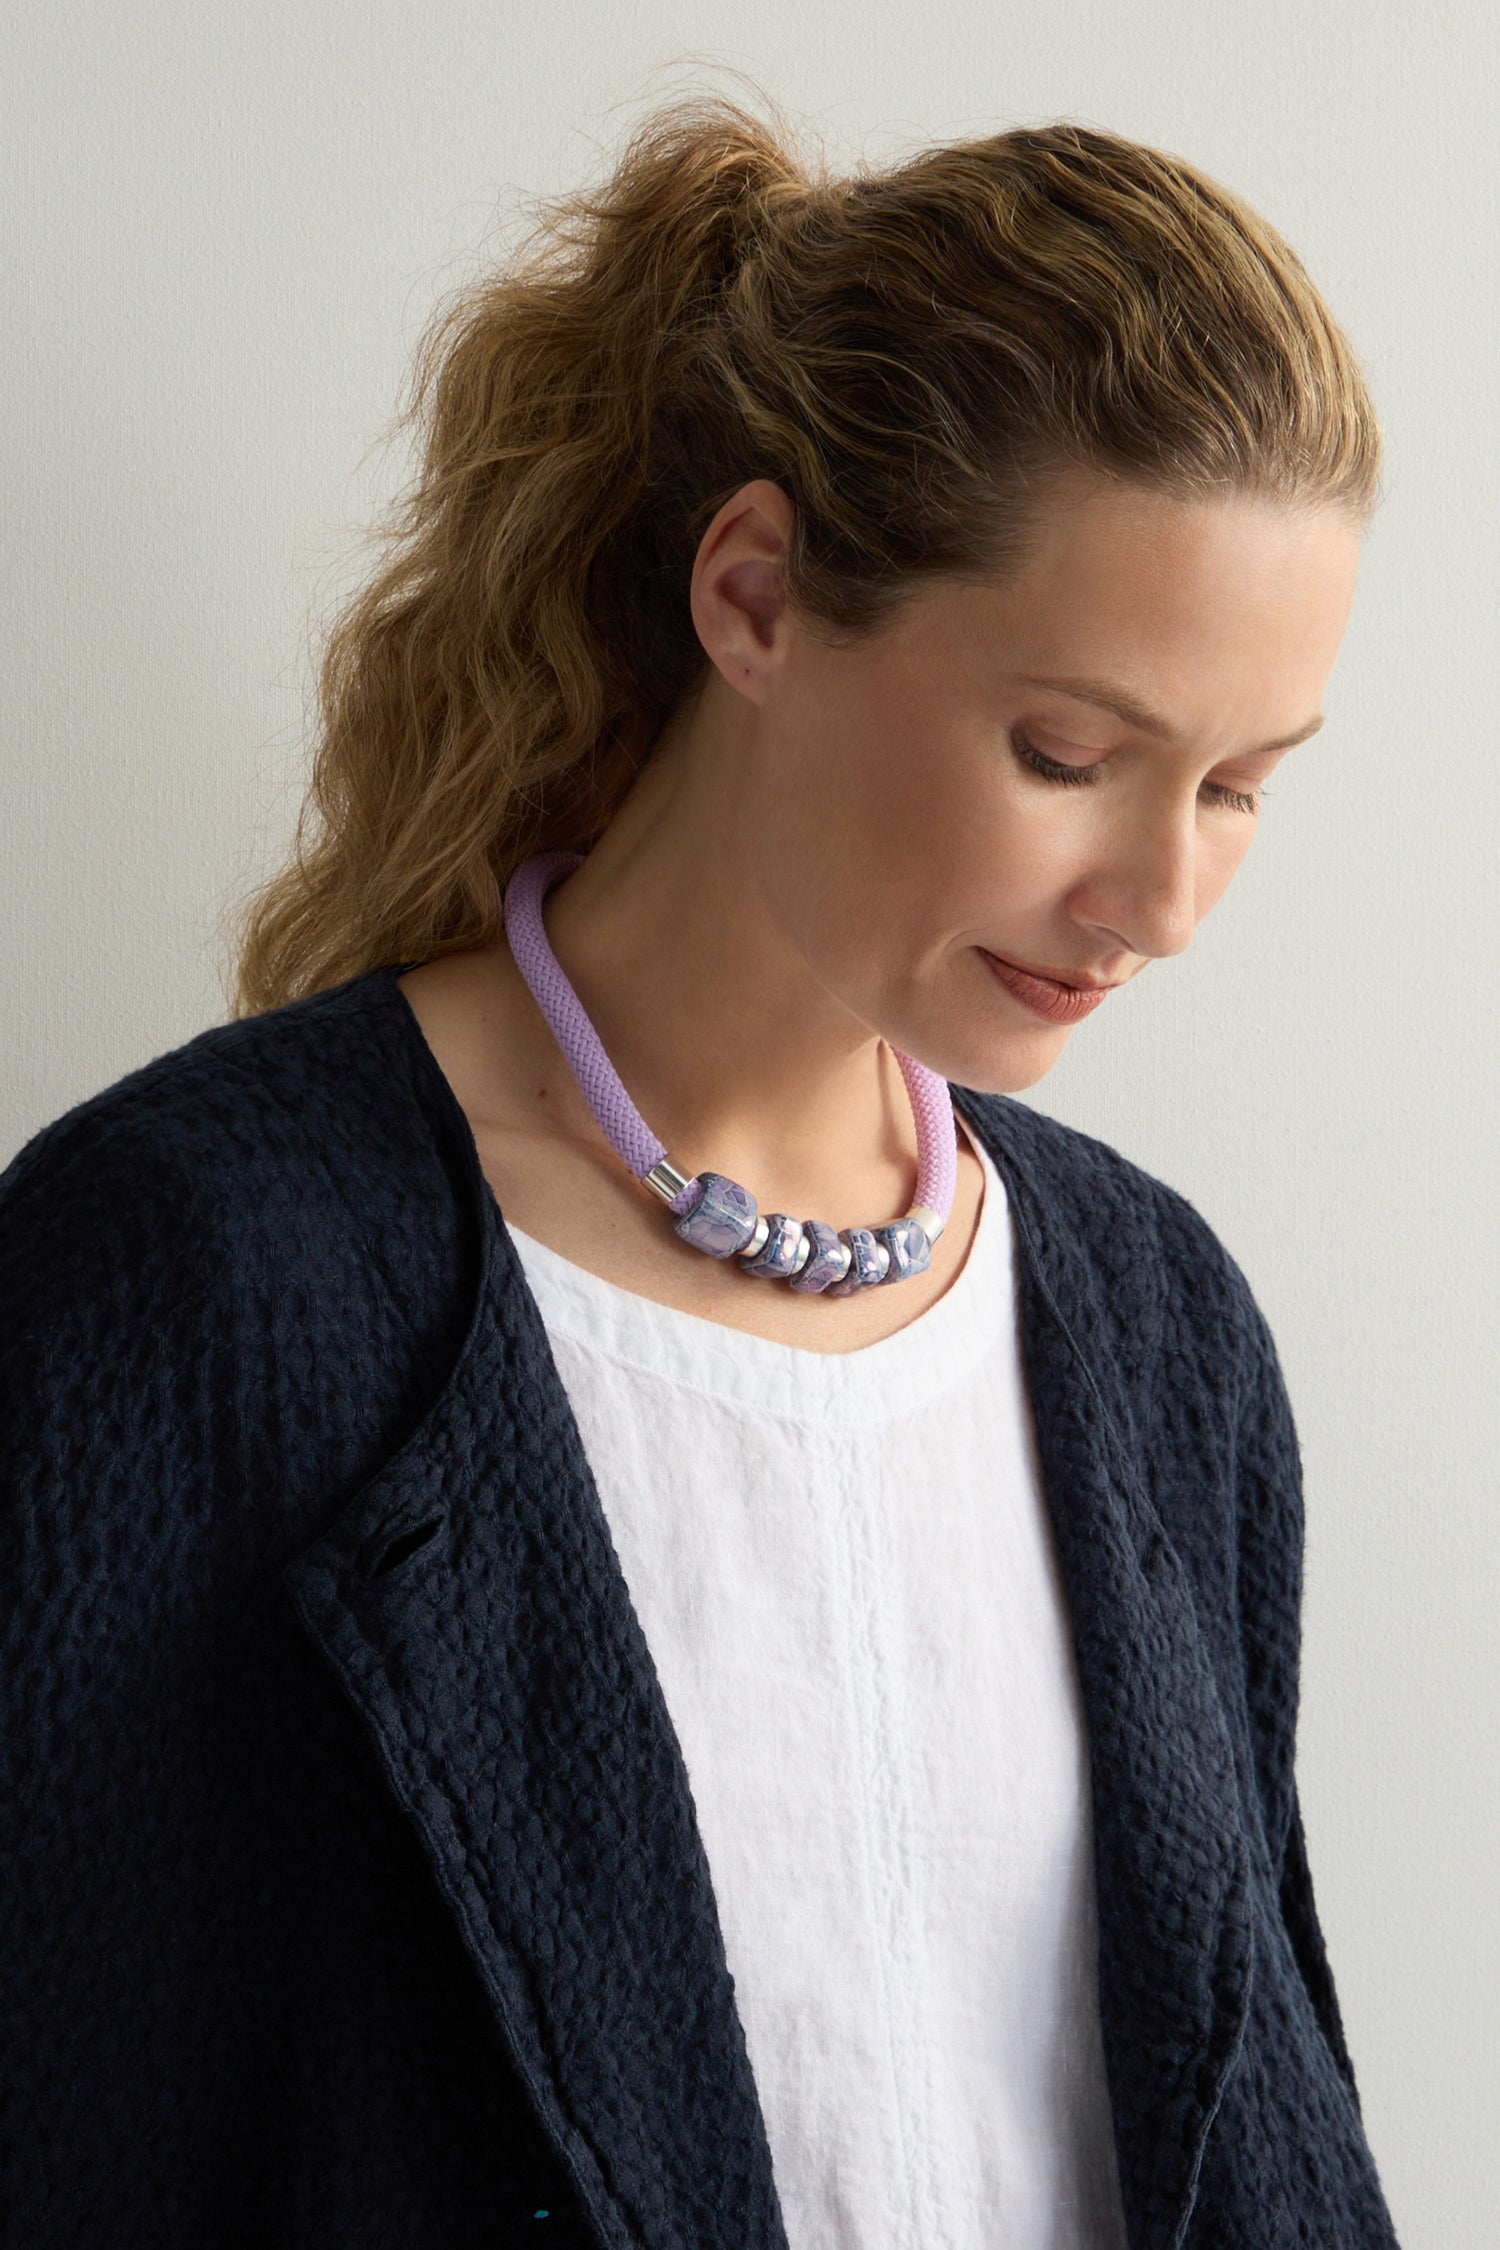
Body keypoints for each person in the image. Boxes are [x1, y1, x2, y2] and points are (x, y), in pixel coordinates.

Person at [0, 89, 1403, 2249]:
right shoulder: (198, 1279)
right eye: (1071, 755)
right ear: (752, 596)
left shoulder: (1154, 1329)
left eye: (1239, 786)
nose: (1162, 899)